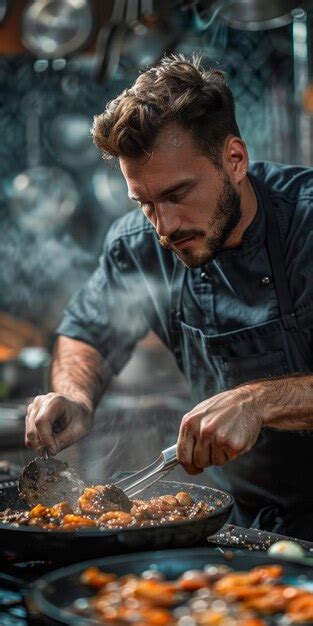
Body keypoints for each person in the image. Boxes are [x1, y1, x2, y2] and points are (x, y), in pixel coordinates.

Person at [25, 55, 313, 540]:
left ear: (234, 160)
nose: (165, 226)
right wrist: (74, 395)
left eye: (178, 194)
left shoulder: (305, 223)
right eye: (145, 203)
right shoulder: (137, 243)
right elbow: (86, 333)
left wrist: (257, 402)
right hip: (244, 527)